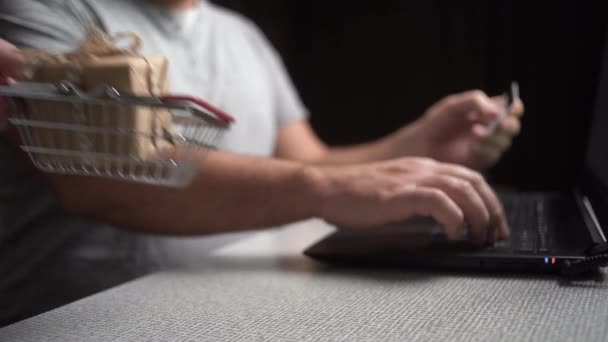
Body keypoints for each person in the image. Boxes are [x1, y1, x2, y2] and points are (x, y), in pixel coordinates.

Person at [0, 0, 524, 324]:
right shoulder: (44, 8)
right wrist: (318, 189)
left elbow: (310, 162)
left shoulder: (243, 35)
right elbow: (100, 176)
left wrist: (420, 146)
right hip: (75, 321)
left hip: (236, 313)